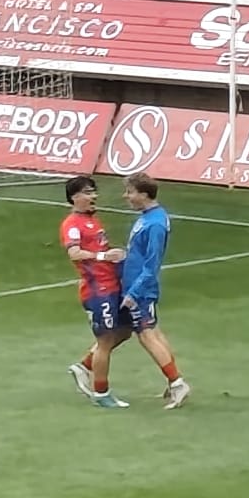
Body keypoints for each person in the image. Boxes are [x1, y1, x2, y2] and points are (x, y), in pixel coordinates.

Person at [119, 175, 192, 409]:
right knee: (154, 333)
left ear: (144, 194)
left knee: (146, 335)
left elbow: (152, 265)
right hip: (135, 285)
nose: (127, 197)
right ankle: (173, 382)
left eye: (130, 192)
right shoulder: (149, 218)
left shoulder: (156, 224)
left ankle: (177, 383)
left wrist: (134, 293)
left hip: (140, 289)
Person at [60, 176, 132, 410]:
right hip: (97, 290)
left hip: (111, 285)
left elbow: (97, 249)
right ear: (75, 197)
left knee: (124, 331)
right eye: (88, 193)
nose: (94, 197)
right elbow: (75, 254)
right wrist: (103, 257)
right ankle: (101, 393)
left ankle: (83, 367)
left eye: (94, 192)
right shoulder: (72, 224)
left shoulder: (92, 221)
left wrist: (114, 255)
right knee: (104, 341)